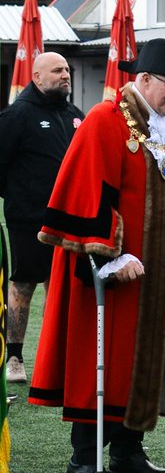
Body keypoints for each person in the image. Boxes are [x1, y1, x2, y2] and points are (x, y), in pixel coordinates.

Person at [28, 39, 165, 473]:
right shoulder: (104, 120)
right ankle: (84, 460)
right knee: (105, 358)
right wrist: (111, 253)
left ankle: (130, 451)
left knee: (145, 359)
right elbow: (87, 190)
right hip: (111, 271)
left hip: (160, 272)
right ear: (144, 79)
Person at [0, 53, 83, 385]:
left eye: (67, 70)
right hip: (29, 220)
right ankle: (15, 358)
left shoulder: (77, 116)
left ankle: (57, 356)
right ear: (36, 77)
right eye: (57, 70)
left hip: (72, 220)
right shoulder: (17, 115)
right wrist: (24, 198)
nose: (65, 75)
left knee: (62, 286)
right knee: (24, 285)